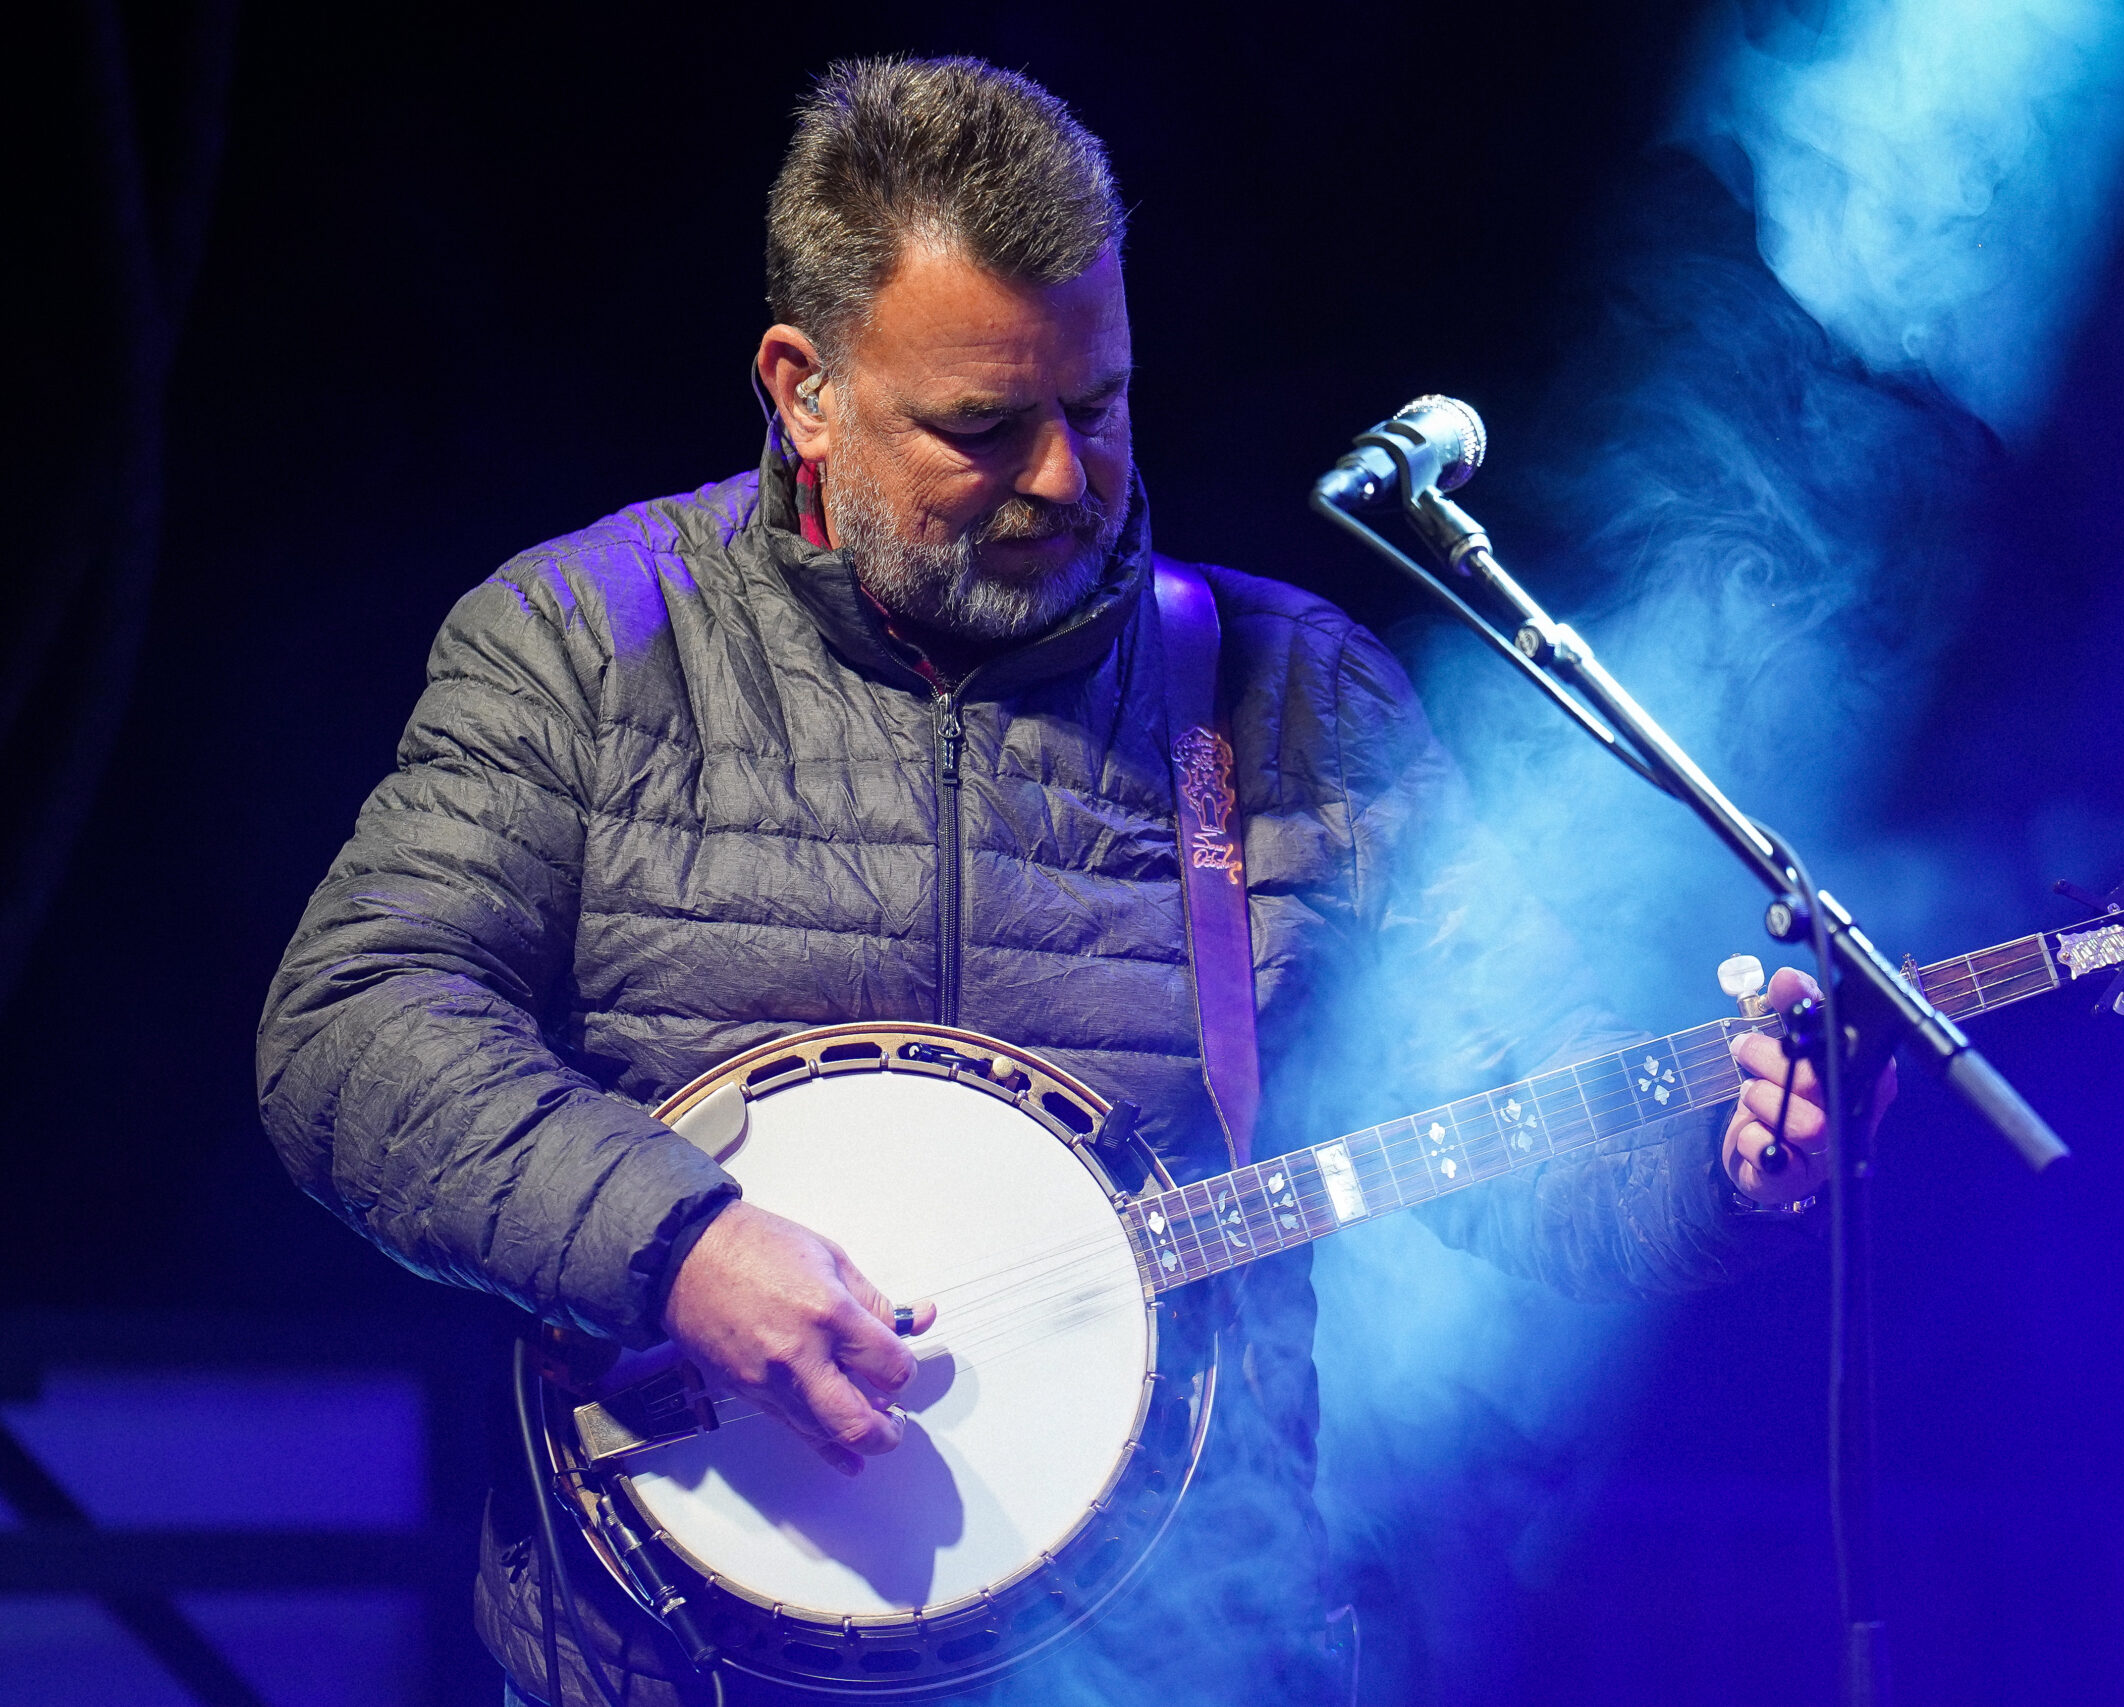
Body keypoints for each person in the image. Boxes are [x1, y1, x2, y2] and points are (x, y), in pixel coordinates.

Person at [256, 55, 1890, 1707]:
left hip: (1182, 1655)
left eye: (1094, 406)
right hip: (678, 1670)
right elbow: (350, 1025)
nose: (1061, 477)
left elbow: (1513, 1104)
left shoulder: (1287, 693)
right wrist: (672, 1240)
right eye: (980, 427)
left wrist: (1728, 1171)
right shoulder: (582, 645)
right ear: (802, 389)